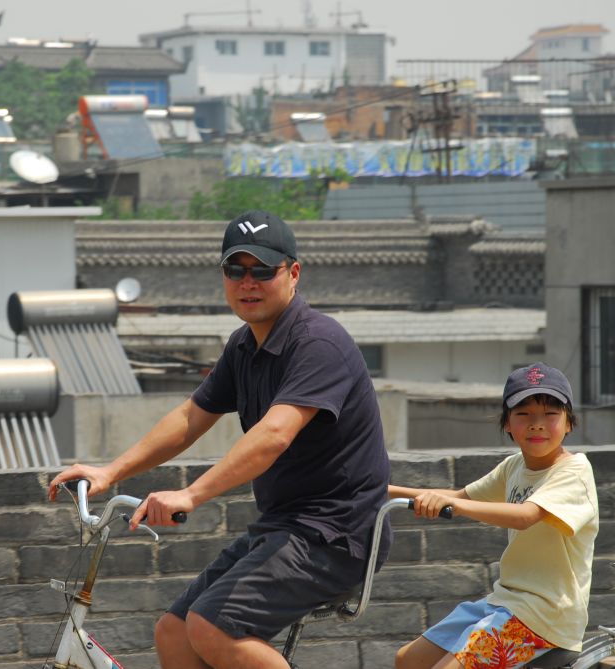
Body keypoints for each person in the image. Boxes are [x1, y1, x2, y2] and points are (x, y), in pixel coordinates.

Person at [49, 209, 392, 669]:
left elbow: (274, 435)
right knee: (174, 632)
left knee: (213, 627)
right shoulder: (243, 346)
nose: (248, 282)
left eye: (262, 270)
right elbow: (191, 417)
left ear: (293, 273)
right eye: (235, 270)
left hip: (336, 535)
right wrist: (110, 472)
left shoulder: (318, 343)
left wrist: (190, 494)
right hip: (285, 527)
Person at [390, 362, 598, 669]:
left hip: (545, 617)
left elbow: (525, 516)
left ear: (569, 423)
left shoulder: (573, 471)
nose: (537, 424)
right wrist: (381, 490)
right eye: (523, 414)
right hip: (505, 602)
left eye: (550, 414)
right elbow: (460, 496)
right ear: (507, 423)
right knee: (409, 660)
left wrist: (455, 507)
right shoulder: (515, 466)